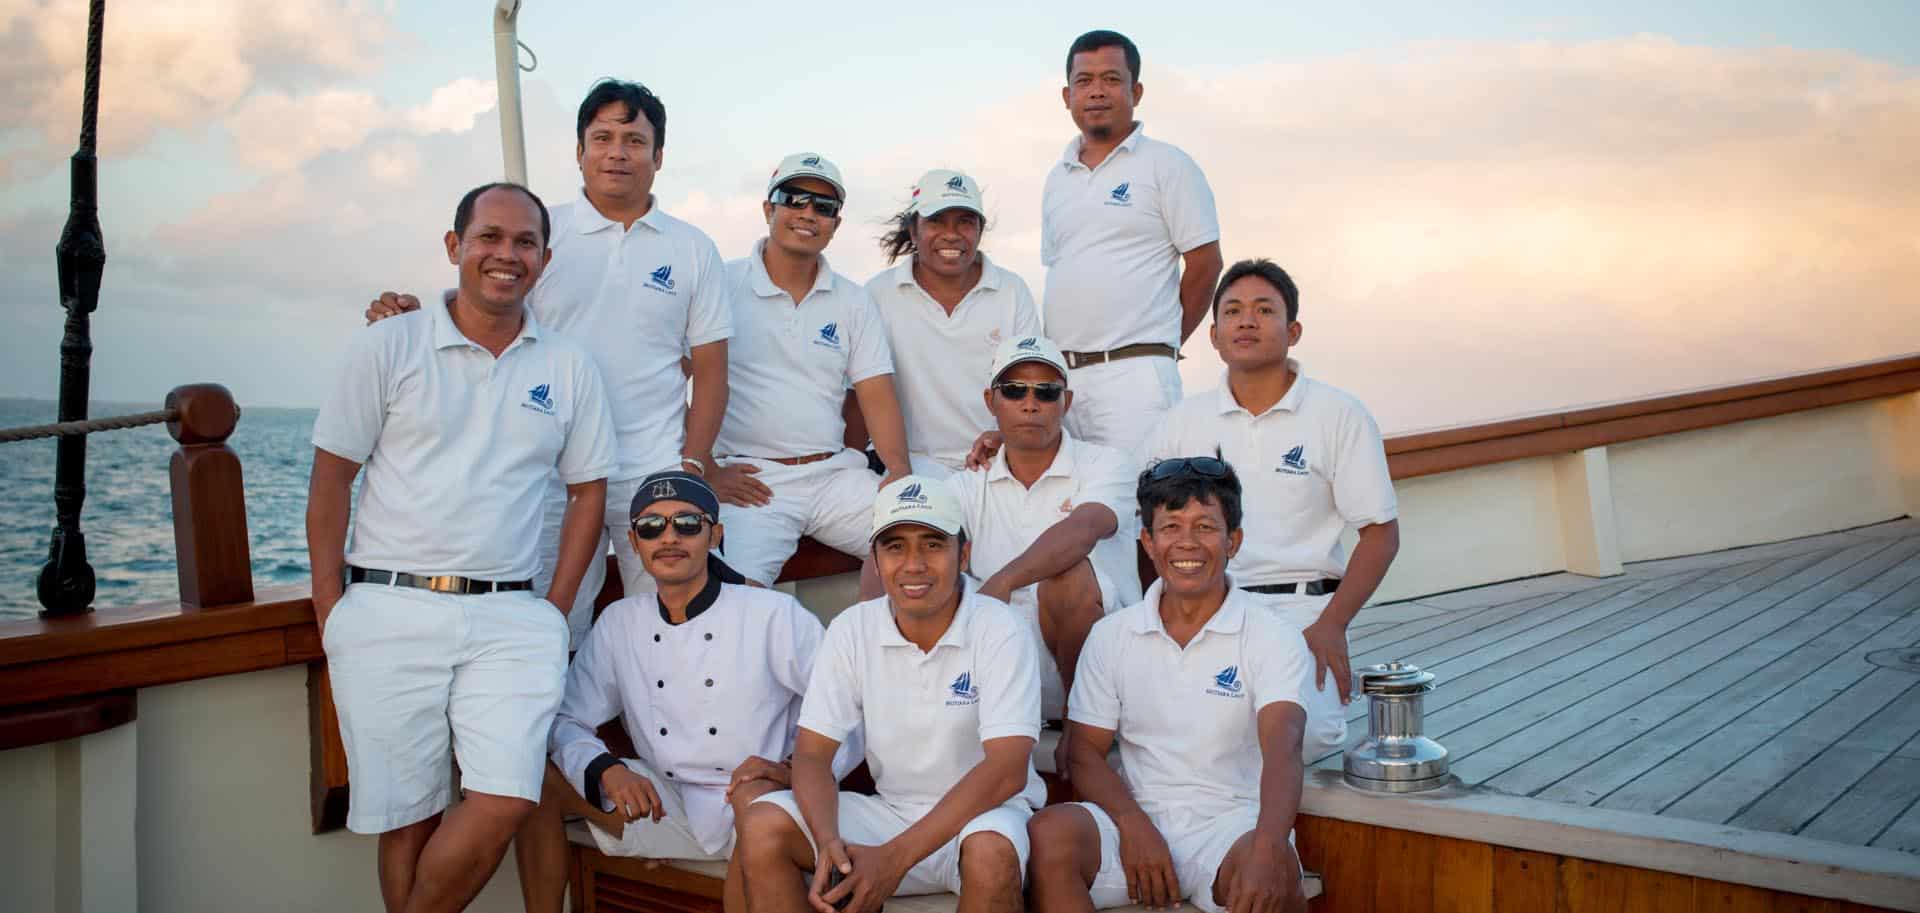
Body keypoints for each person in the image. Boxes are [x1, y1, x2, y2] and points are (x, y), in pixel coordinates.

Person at [308, 182, 617, 913]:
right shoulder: (389, 345)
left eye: (524, 243)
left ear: (544, 258)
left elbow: (588, 494)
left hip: (512, 614)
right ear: (455, 247)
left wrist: (555, 609)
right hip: (387, 607)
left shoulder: (568, 366)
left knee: (507, 795)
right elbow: (330, 485)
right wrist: (333, 613)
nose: (505, 255)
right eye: (489, 237)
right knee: (406, 815)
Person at [364, 79, 732, 645]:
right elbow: (480, 310)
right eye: (602, 137)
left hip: (652, 469)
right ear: (579, 150)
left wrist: (693, 465)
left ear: (658, 156)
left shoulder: (692, 248)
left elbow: (710, 368)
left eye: (634, 140)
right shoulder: (538, 234)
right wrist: (407, 315)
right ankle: (558, 736)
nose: (617, 152)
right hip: (547, 470)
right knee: (547, 625)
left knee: (674, 629)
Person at [519, 470, 861, 913]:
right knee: (530, 780)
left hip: (764, 802)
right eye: (651, 527)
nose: (669, 538)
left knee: (751, 799)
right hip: (669, 802)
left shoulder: (771, 614)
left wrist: (790, 770)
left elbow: (848, 712)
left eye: (687, 524)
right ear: (635, 541)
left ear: (714, 534)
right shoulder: (621, 623)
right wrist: (607, 769)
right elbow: (567, 718)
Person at [1026, 458, 1345, 913]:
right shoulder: (1113, 635)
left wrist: (1272, 845)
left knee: (1270, 870)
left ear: (1233, 540)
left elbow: (1283, 749)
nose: (1187, 543)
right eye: (1171, 527)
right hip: (1137, 819)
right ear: (1148, 543)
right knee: (1048, 834)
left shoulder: (1272, 634)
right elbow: (1083, 752)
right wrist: (1133, 825)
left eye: (1205, 526)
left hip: (1232, 825)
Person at [737, 477, 1045, 913]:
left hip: (984, 817)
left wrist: (894, 859)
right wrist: (828, 843)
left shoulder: (1000, 628)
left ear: (964, 554)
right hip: (892, 811)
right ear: (876, 561)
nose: (913, 564)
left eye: (933, 544)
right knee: (764, 823)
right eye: (895, 546)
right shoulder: (852, 628)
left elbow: (1007, 772)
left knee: (991, 853)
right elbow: (811, 756)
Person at [1142, 259, 1400, 703]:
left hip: (1301, 612)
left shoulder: (1339, 414)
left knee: (1301, 734)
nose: (1246, 321)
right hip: (1201, 606)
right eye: (1233, 311)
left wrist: (1332, 625)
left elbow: (1381, 535)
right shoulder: (1181, 423)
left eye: (1264, 310)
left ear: (1293, 331)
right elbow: (1147, 531)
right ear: (1214, 335)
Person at [708, 152, 911, 587]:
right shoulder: (720, 284)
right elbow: (677, 379)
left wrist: (899, 481)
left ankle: (869, 650)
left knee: (922, 545)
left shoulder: (853, 301)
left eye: (824, 207)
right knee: (731, 598)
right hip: (751, 482)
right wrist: (704, 467)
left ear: (836, 224)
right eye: (794, 199)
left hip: (833, 476)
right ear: (768, 208)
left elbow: (876, 395)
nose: (808, 213)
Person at [944, 334, 1140, 775]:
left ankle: (1082, 724)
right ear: (991, 401)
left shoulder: (1106, 464)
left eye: (1045, 392)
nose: (1030, 403)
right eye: (1014, 391)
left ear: (1065, 401)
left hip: (1099, 679)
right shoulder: (965, 485)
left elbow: (1083, 529)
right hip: (1006, 681)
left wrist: (1003, 581)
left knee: (1066, 576)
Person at [1037, 29, 1223, 453]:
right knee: (1074, 505)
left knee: (1137, 505)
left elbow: (1206, 262)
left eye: (1111, 79)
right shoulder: (1056, 178)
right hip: (1063, 382)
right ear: (1067, 96)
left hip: (1136, 379)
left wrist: (1164, 341)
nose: (1096, 92)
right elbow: (1063, 269)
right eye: (1084, 81)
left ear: (1135, 90)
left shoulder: (1168, 165)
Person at [860, 169, 1040, 478]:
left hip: (993, 461)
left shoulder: (1012, 290)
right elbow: (858, 393)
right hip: (906, 465)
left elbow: (1030, 383)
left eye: (965, 222)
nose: (952, 234)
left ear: (980, 231)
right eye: (936, 221)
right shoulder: (877, 294)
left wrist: (1005, 439)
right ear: (914, 232)